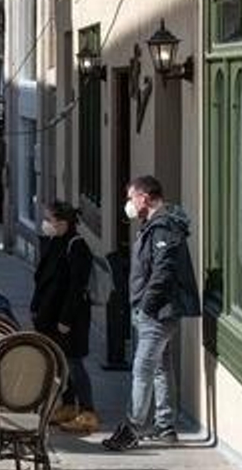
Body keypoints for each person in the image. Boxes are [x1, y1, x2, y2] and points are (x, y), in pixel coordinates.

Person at [103, 175, 200, 452]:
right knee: (159, 367)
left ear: (144, 198)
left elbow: (163, 272)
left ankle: (132, 427)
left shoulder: (163, 228)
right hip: (155, 310)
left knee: (142, 368)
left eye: (131, 198)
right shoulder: (155, 226)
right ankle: (165, 424)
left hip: (157, 313)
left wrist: (146, 306)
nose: (129, 204)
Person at [32, 201, 99, 435]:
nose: (45, 224)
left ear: (62, 223)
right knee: (62, 363)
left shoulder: (76, 246)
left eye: (49, 220)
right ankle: (69, 405)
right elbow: (43, 280)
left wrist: (66, 320)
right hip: (50, 316)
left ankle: (88, 410)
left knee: (74, 362)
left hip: (69, 317)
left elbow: (75, 287)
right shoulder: (54, 243)